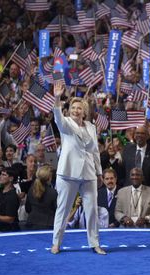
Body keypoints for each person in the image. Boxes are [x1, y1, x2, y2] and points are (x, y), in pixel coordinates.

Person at [51, 83, 105, 255]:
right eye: (73, 107)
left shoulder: (91, 126)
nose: (75, 110)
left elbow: (95, 151)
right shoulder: (65, 123)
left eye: (79, 108)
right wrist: (58, 98)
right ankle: (56, 243)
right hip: (67, 173)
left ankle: (94, 243)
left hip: (89, 173)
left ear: (84, 111)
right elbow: (57, 116)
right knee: (63, 210)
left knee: (92, 211)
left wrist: (99, 172)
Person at [25, 165, 57, 230]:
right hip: (48, 225)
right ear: (49, 178)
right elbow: (56, 210)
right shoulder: (53, 193)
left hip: (31, 223)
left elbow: (27, 208)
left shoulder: (31, 190)